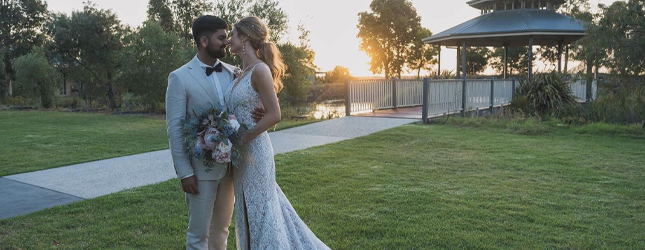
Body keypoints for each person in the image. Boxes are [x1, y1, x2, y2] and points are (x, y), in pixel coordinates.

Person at [225, 16, 330, 250]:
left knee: (261, 213)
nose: (229, 38)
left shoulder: (260, 70)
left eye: (232, 33)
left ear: (244, 38)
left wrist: (242, 137)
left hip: (255, 151)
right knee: (246, 211)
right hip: (241, 155)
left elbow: (275, 114)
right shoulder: (240, 73)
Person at [165, 15, 264, 250]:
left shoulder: (234, 72)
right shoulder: (179, 77)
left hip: (231, 168)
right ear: (203, 40)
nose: (227, 42)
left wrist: (257, 111)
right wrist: (184, 172)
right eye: (221, 38)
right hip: (200, 172)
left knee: (221, 230)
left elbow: (247, 103)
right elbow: (175, 129)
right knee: (199, 235)